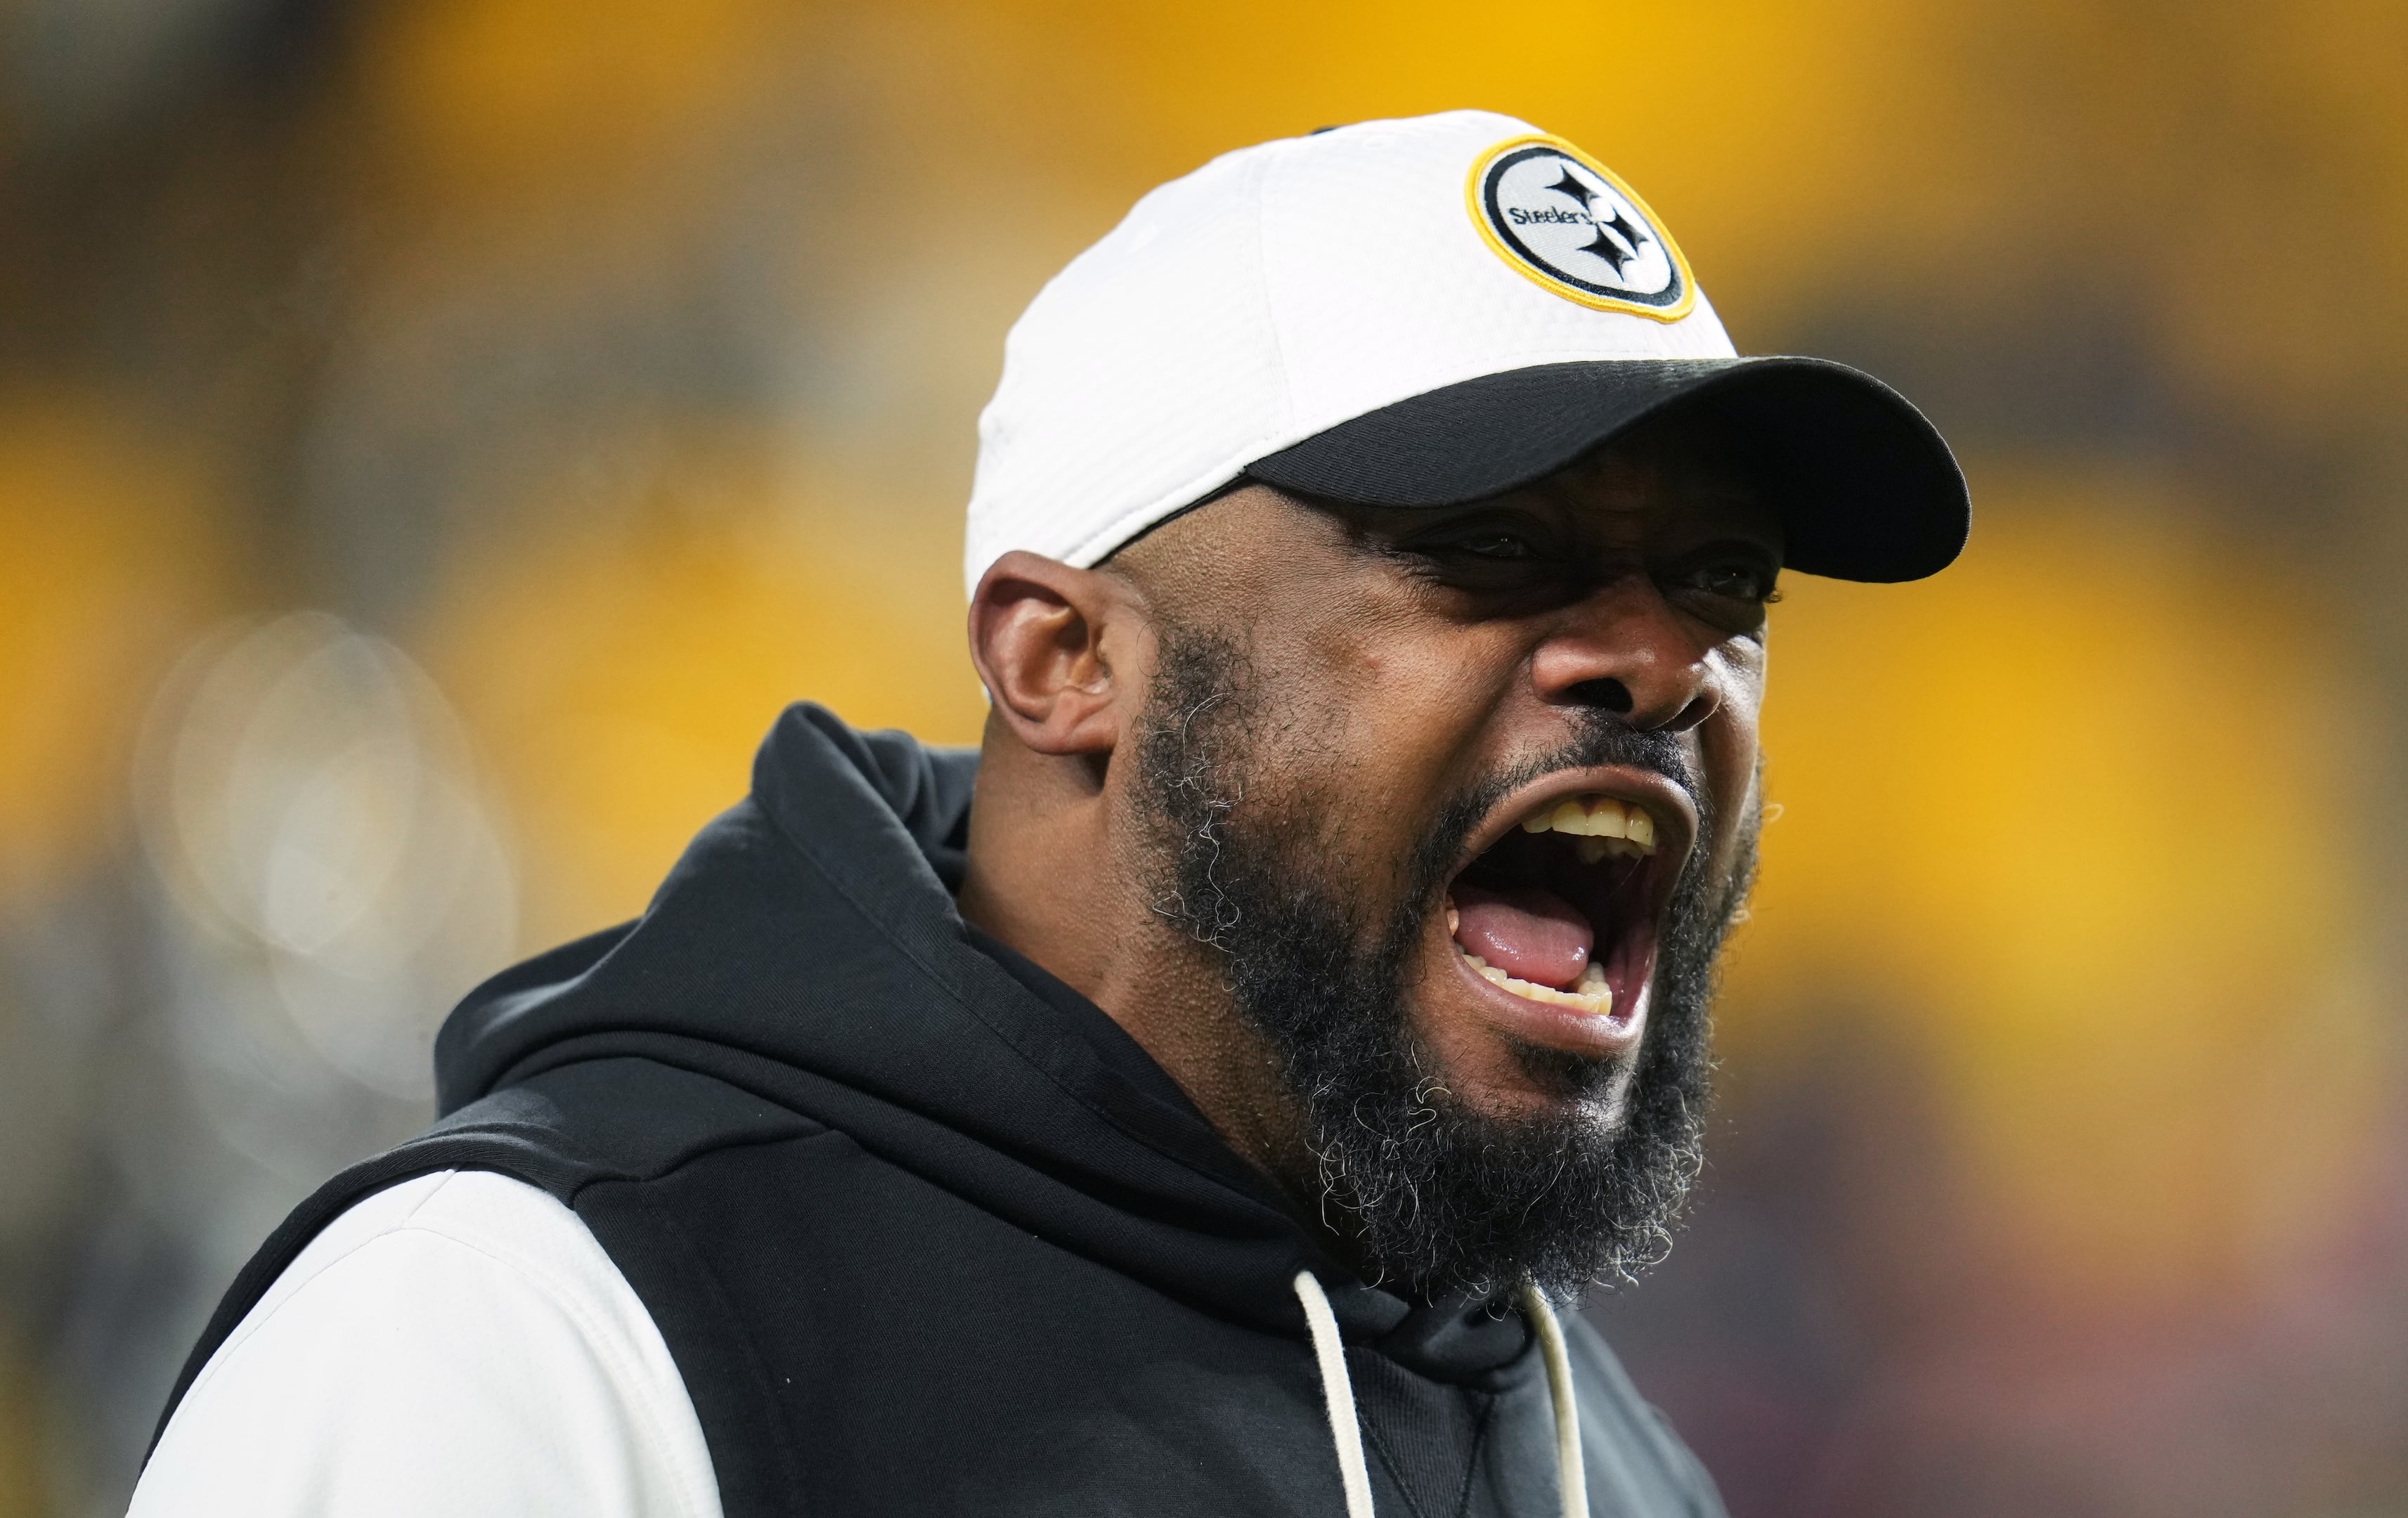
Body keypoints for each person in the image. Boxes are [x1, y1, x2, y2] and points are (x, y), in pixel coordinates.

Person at [132, 109, 1964, 1517]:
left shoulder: (1601, 1456)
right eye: (1485, 552)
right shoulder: (540, 1332)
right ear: (1063, 660)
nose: (1660, 664)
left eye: (1728, 592)